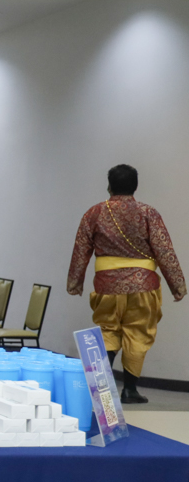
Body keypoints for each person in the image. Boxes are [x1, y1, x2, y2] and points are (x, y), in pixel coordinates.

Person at [67, 164, 185, 404]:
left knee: (108, 330)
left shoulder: (94, 213)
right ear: (135, 187)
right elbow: (164, 250)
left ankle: (102, 389)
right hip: (143, 286)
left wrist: (75, 282)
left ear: (109, 186)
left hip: (107, 286)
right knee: (138, 333)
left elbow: (81, 250)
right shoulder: (149, 213)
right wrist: (177, 285)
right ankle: (129, 390)